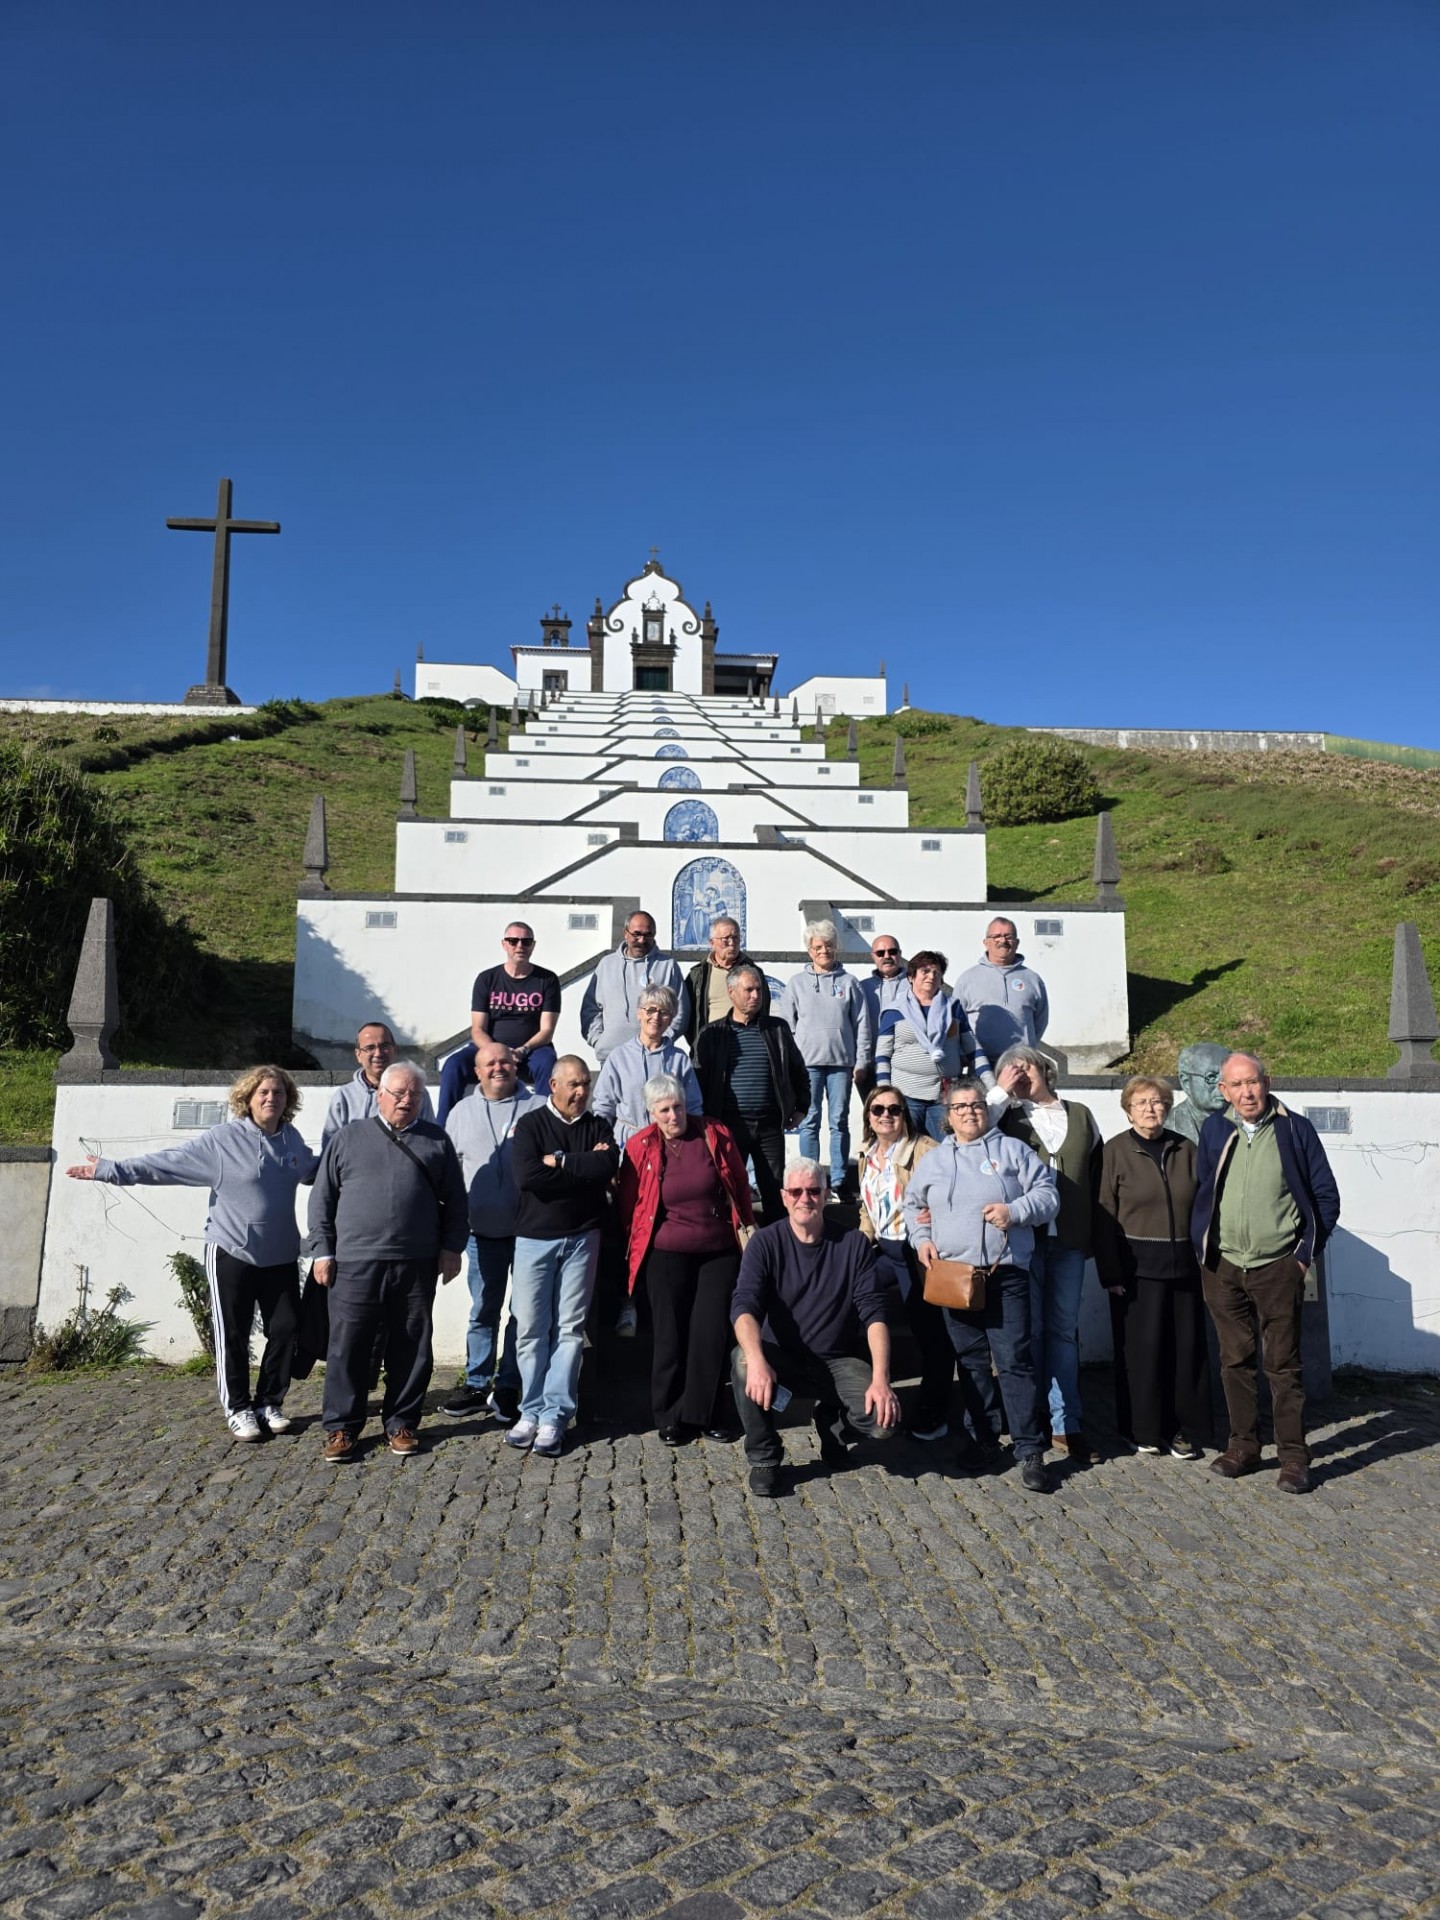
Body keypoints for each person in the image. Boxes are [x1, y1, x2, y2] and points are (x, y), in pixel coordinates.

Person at [67, 1065, 318, 1443]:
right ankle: (238, 1408)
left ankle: (269, 1402)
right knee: (233, 1334)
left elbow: (313, 1169)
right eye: (263, 1092)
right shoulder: (223, 1141)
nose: (271, 1098)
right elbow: (168, 1163)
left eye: (279, 1093)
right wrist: (111, 1170)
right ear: (248, 1099)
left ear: (288, 1100)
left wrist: (352, 1161)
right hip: (233, 1251)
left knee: (286, 1328)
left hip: (280, 1255)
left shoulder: (291, 1139)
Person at [1192, 1052, 1340, 1494]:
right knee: (1234, 1359)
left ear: (1267, 1082)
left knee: (1283, 1363)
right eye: (1236, 1085)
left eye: (1252, 1082)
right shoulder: (1215, 1129)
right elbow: (1204, 1189)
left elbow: (1326, 1197)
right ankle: (1243, 1446)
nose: (1246, 1092)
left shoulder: (1295, 1129)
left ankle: (1293, 1456)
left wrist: (1302, 1256)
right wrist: (1203, 1245)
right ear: (1223, 1091)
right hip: (1223, 1265)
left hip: (1277, 1265)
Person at [308, 1063, 468, 1462]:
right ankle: (342, 1427)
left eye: (414, 1094)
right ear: (380, 1094)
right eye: (398, 1093)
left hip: (415, 1261)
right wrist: (322, 1251)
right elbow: (322, 1198)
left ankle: (401, 1422)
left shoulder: (436, 1140)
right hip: (355, 1261)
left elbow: (456, 1200)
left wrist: (452, 1247)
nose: (406, 1100)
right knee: (348, 1345)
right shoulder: (348, 1138)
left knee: (412, 1343)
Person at [903, 1087, 1059, 1491]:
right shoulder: (935, 1160)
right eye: (960, 1106)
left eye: (976, 1104)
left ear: (986, 1110)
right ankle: (983, 1439)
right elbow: (912, 1205)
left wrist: (1015, 1211)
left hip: (1005, 1274)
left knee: (1013, 1361)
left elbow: (1048, 1196)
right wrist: (922, 1239)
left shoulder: (1013, 1151)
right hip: (953, 1276)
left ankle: (1029, 1449)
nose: (969, 1112)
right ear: (948, 1115)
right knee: (971, 1363)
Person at [730, 1159, 901, 1497]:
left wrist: (881, 1380)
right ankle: (764, 1457)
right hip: (781, 1358)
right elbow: (744, 1307)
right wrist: (759, 1360)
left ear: (825, 1195)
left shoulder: (853, 1244)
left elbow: (875, 1314)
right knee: (743, 1360)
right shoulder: (765, 1243)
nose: (804, 1199)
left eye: (812, 1191)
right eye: (796, 1191)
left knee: (884, 1423)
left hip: (838, 1360)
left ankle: (832, 1422)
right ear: (784, 1196)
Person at [617, 1074, 754, 1443]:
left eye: (677, 1106)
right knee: (670, 1335)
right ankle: (669, 1416)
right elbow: (629, 1205)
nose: (673, 1115)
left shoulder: (714, 1132)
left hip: (718, 1251)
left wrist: (746, 1226)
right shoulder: (640, 1145)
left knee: (710, 1333)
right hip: (666, 1254)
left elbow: (739, 1183)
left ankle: (704, 1414)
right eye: (664, 1110)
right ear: (652, 1113)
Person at [995, 1043, 1103, 1463]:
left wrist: (1095, 1234)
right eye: (1013, 1071)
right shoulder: (1007, 1118)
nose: (1022, 1075)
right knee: (1031, 1332)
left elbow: (1097, 1175)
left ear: (1045, 1070)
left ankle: (1066, 1423)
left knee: (1063, 1332)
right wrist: (1002, 1091)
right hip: (1026, 1240)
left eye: (1027, 1068)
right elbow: (971, 1128)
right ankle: (1033, 1417)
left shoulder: (1081, 1114)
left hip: (1070, 1240)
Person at [1094, 1076, 1213, 1459]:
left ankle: (1181, 1430)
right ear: (1128, 1110)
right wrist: (1110, 1273)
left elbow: (1206, 1206)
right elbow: (1103, 1213)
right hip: (1135, 1272)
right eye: (1141, 1102)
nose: (1150, 1108)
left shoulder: (1186, 1149)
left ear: (1167, 1107)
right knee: (1141, 1355)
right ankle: (1141, 1428)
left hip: (1184, 1270)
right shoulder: (1115, 1151)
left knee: (1185, 1353)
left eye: (1158, 1101)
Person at [508, 1055, 618, 1455]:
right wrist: (582, 1169)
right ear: (553, 1085)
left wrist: (559, 1161)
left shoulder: (598, 1126)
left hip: (583, 1237)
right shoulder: (531, 1125)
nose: (581, 1091)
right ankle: (530, 1410)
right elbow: (527, 1176)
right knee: (530, 1329)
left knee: (570, 1329)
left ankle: (555, 1415)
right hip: (534, 1239)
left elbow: (607, 1164)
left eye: (586, 1083)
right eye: (574, 1084)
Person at [439, 1041, 537, 1425]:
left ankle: (509, 1385)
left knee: (522, 1313)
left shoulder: (537, 1106)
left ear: (515, 1065)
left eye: (505, 1061)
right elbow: (449, 1176)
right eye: (489, 1063)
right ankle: (477, 1384)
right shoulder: (461, 1112)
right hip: (480, 1233)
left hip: (530, 1233)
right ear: (477, 1072)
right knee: (483, 1310)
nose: (499, 1068)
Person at [855, 1087, 955, 1441]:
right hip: (884, 1250)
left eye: (894, 1109)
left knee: (931, 1333)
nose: (886, 1115)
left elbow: (955, 1190)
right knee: (849, 1299)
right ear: (869, 1117)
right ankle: (856, 1395)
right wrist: (858, 1244)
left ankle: (934, 1410)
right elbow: (868, 1209)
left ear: (904, 1115)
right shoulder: (867, 1153)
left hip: (917, 1252)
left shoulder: (926, 1150)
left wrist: (936, 1215)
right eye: (878, 1109)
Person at [694, 964, 810, 1224]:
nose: (755, 995)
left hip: (770, 1125)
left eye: (758, 989)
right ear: (731, 992)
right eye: (748, 990)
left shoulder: (777, 1029)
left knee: (774, 1189)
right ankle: (732, 1243)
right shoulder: (712, 1034)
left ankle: (775, 1242)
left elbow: (798, 1071)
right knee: (728, 1188)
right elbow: (699, 1081)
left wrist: (801, 1107)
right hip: (729, 1126)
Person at [785, 919, 873, 1196]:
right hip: (807, 1065)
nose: (824, 951)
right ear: (809, 950)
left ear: (836, 947)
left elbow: (862, 1025)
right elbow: (787, 1027)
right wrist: (792, 1064)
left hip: (841, 1064)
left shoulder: (849, 982)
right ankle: (811, 1180)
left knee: (839, 1121)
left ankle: (838, 1180)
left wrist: (861, 1061)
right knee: (809, 1121)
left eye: (829, 946)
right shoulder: (797, 984)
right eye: (818, 947)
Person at [874, 949, 995, 1141]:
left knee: (949, 1146)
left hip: (944, 1097)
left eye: (937, 973)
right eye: (925, 971)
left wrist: (992, 1085)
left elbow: (974, 1050)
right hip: (906, 1096)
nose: (931, 976)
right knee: (905, 1147)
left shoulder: (953, 1007)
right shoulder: (893, 1011)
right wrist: (885, 1093)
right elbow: (882, 1056)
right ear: (911, 977)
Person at [592, 984, 702, 1147]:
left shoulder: (679, 1059)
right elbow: (603, 1106)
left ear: (671, 1019)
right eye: (650, 1010)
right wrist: (601, 1141)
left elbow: (693, 1107)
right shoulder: (619, 1057)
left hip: (669, 1144)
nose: (656, 1017)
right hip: (628, 1143)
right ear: (639, 1013)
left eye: (664, 1012)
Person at [465, 921, 561, 1100]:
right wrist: (499, 1052)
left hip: (532, 1050)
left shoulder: (548, 980)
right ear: (504, 944)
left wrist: (523, 1050)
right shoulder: (486, 979)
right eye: (513, 941)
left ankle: (543, 1116)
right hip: (489, 1046)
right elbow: (477, 1030)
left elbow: (547, 1031)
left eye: (526, 941)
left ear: (533, 945)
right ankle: (445, 1118)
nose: (520, 946)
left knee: (548, 1063)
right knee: (453, 1065)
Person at [580, 911, 689, 1064]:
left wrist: (664, 1040)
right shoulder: (606, 964)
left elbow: (681, 1011)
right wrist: (598, 1041)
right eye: (636, 934)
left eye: (648, 935)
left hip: (654, 1057)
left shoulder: (668, 966)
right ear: (625, 933)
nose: (642, 940)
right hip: (611, 1057)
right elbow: (590, 1008)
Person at [953, 919, 1050, 1064]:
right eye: (996, 936)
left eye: (1008, 936)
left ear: (1017, 942)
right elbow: (956, 1022)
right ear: (986, 942)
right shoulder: (967, 979)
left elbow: (1040, 1020)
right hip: (982, 1065)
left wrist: (1026, 1049)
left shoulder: (1033, 979)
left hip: (1022, 1065)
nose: (1003, 941)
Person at [323, 1021, 434, 1144]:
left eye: (384, 1046)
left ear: (394, 1049)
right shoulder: (344, 1097)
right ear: (358, 1054)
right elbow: (331, 1147)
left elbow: (431, 1141)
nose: (378, 1053)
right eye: (370, 1048)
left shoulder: (417, 1093)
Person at [683, 917, 769, 1047]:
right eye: (726, 939)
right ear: (712, 943)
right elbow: (688, 1016)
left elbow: (764, 1008)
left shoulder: (753, 972)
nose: (732, 943)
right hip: (711, 1044)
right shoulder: (698, 975)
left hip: (748, 1043)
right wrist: (697, 1044)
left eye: (736, 938)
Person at [856, 933, 906, 1101]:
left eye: (892, 951)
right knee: (875, 1112)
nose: (887, 956)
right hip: (871, 1067)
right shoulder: (861, 988)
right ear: (873, 956)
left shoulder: (915, 984)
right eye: (880, 953)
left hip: (905, 1066)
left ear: (899, 954)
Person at [1167, 1041, 1231, 1147]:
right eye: (1212, 1077)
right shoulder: (1166, 1127)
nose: (1223, 1085)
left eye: (1228, 1076)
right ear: (1186, 1082)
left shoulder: (1249, 1121)